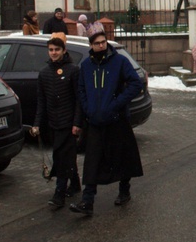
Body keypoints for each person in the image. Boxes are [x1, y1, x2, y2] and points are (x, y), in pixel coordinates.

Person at [70, 25, 144, 216]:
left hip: (117, 119)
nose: (101, 46)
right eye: (97, 43)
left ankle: (124, 189)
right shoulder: (86, 66)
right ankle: (87, 201)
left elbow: (135, 83)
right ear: (91, 45)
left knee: (122, 157)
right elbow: (81, 91)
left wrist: (117, 103)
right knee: (92, 161)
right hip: (95, 121)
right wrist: (88, 109)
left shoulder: (119, 61)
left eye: (103, 42)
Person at [30, 35, 83, 208]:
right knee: (66, 155)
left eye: (57, 50)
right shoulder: (44, 73)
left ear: (64, 51)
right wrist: (37, 123)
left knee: (60, 156)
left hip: (68, 123)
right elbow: (41, 101)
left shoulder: (73, 70)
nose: (54, 53)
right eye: (51, 50)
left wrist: (77, 123)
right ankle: (74, 184)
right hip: (53, 123)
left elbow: (78, 100)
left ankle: (59, 194)